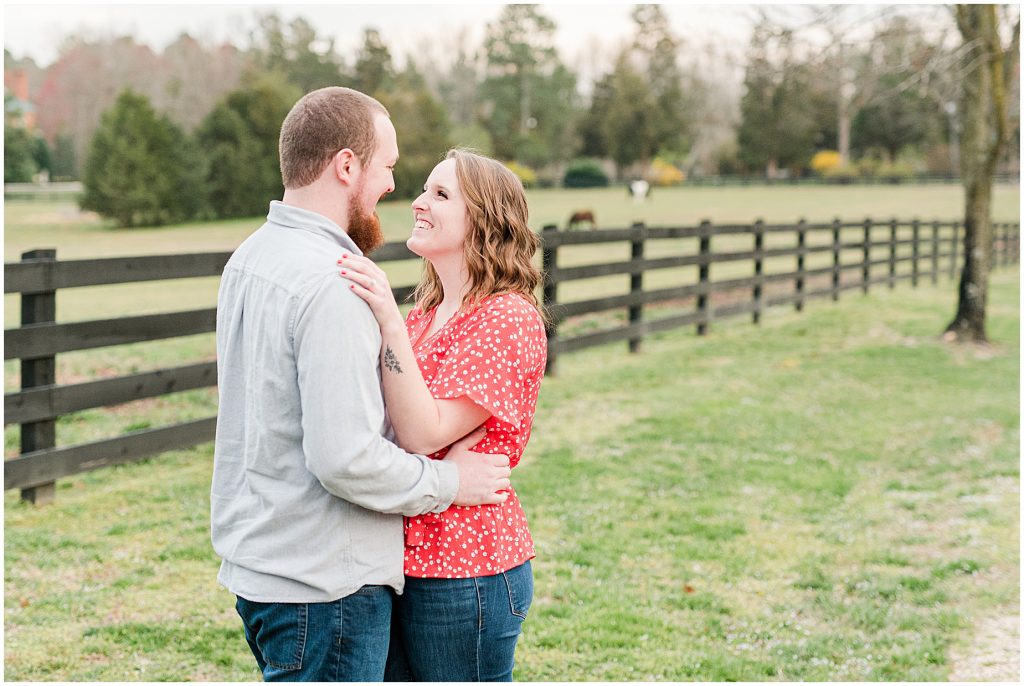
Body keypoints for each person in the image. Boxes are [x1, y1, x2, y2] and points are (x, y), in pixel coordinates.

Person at [210, 88, 513, 682]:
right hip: (325, 585)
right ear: (347, 166)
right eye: (388, 167)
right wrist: (451, 481)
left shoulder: (249, 259)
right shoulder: (335, 282)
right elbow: (345, 458)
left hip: (262, 572)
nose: (393, 188)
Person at [337, 149, 548, 681]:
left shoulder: (506, 317)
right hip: (404, 559)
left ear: (485, 218)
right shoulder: (427, 314)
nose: (418, 202)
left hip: (466, 570)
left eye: (440, 194)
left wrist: (385, 315)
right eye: (424, 190)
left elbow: (421, 431)